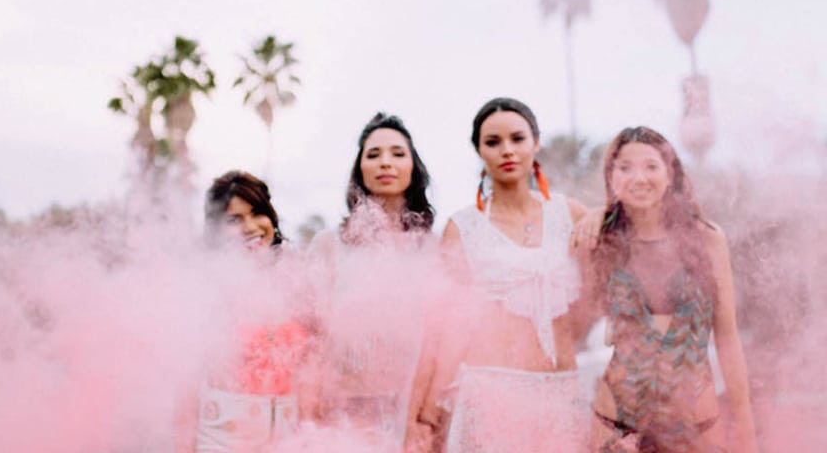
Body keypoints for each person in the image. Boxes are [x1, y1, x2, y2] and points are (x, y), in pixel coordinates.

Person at [407, 97, 592, 453]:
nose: (507, 150)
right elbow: (445, 329)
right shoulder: (463, 228)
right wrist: (426, 414)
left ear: (535, 143)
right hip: (490, 397)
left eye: (517, 139)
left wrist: (598, 214)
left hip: (561, 395)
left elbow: (596, 295)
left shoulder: (570, 213)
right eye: (492, 142)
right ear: (478, 150)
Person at [587, 127, 758, 453]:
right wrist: (593, 216)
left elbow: (727, 337)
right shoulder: (601, 239)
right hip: (618, 427)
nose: (639, 177)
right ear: (611, 177)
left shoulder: (707, 239)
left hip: (697, 421)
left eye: (651, 166)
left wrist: (745, 425)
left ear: (671, 174)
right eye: (625, 167)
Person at [307, 113, 439, 451]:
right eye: (373, 154)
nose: (386, 162)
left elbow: (443, 338)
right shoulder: (329, 245)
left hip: (413, 410)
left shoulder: (433, 247)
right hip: (344, 408)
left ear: (414, 167)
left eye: (398, 153)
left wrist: (425, 414)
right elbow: (313, 333)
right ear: (359, 170)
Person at [177, 171, 316, 453]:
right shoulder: (204, 286)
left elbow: (312, 370)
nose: (250, 227)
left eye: (257, 213)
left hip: (288, 437)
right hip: (224, 438)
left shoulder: (297, 280)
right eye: (233, 219)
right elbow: (185, 386)